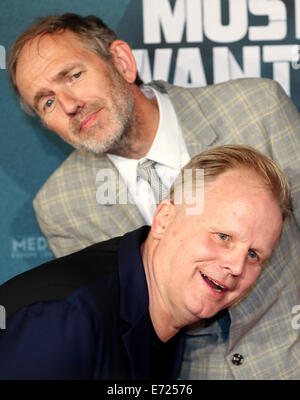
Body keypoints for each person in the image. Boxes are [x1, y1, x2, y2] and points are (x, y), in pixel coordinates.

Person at [7, 13, 300, 379]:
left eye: (73, 75)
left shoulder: (256, 110)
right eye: (46, 102)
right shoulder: (61, 205)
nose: (68, 104)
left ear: (122, 61)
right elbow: (114, 328)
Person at [0, 145, 290, 380]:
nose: (237, 266)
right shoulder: (62, 318)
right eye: (223, 236)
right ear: (164, 220)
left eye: (254, 255)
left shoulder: (164, 313)